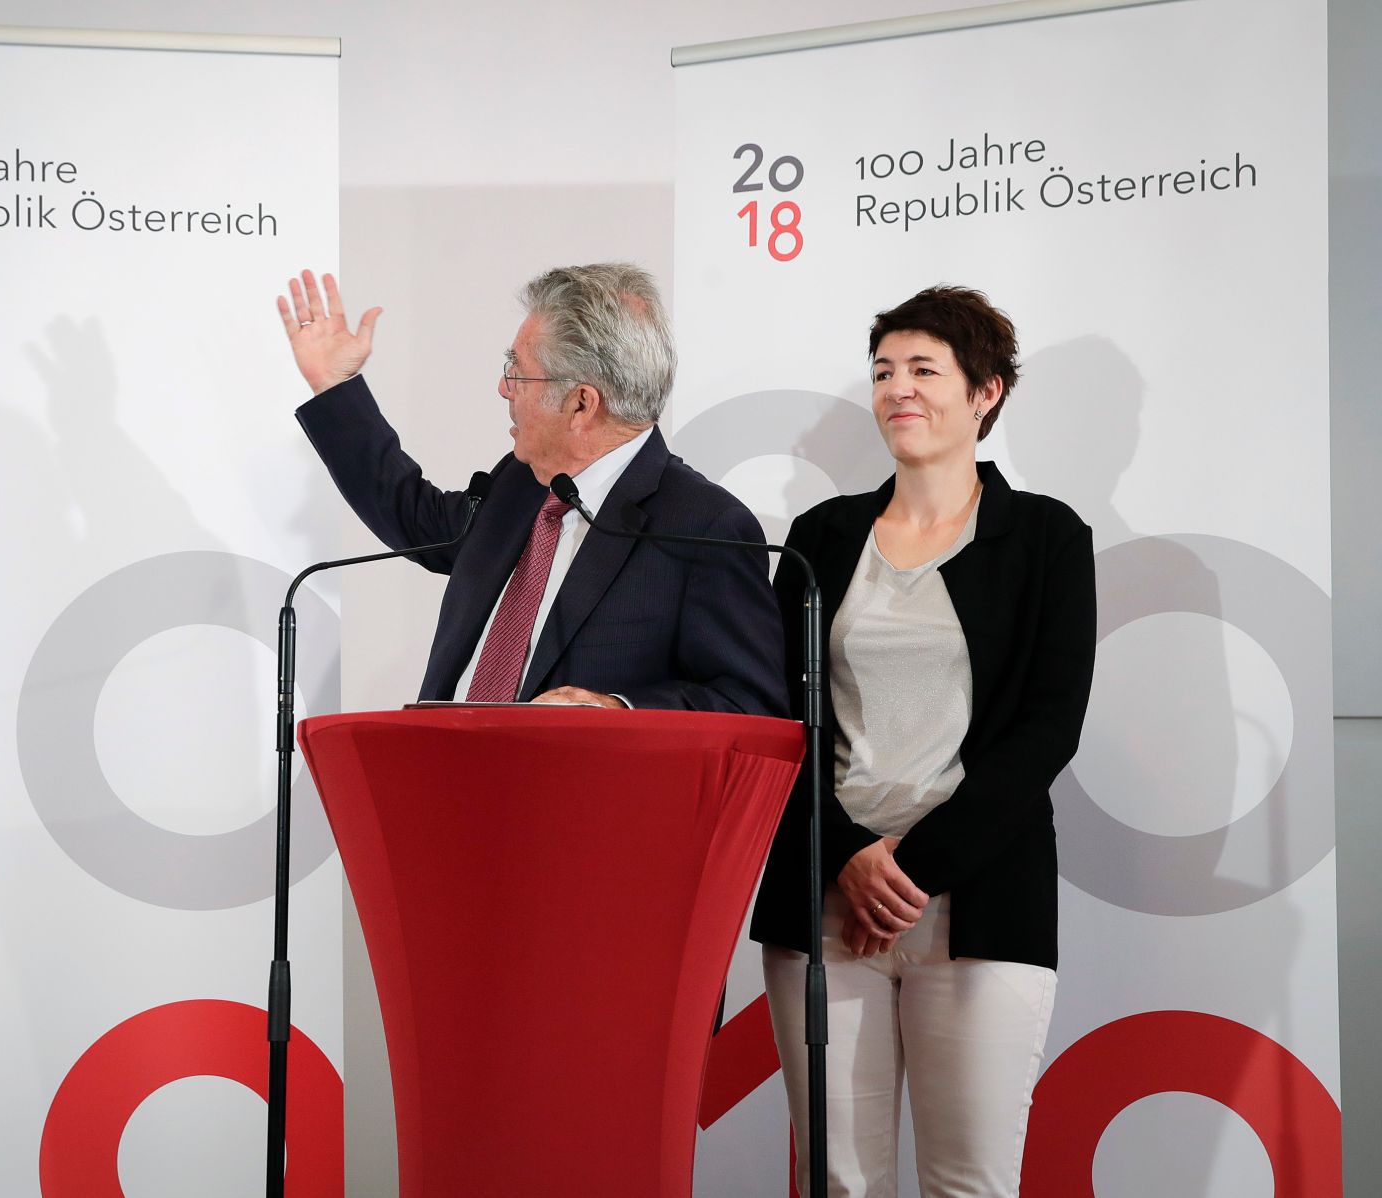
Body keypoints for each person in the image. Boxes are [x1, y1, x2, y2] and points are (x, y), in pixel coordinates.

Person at [749, 286, 1096, 1196]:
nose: (897, 389)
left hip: (979, 902)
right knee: (836, 1181)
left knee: (967, 1183)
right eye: (883, 371)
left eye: (924, 369)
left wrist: (912, 867)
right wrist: (852, 857)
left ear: (986, 392)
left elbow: (1049, 725)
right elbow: (781, 721)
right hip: (824, 899)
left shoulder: (1047, 537)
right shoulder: (821, 538)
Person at [275, 263, 786, 716]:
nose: (504, 388)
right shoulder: (520, 484)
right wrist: (336, 388)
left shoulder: (706, 527)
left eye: (517, 372)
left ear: (581, 403)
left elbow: (750, 702)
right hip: (448, 782)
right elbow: (415, 518)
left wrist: (620, 709)